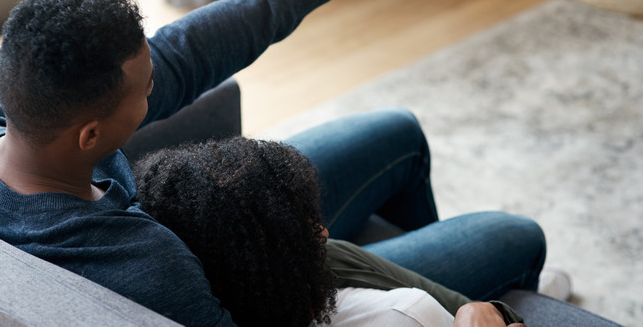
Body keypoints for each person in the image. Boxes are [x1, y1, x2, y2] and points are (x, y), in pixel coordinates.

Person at [0, 0, 545, 326]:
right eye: (144, 91)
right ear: (90, 135)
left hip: (218, 223)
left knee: (399, 131)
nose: (159, 89)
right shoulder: (147, 269)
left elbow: (185, 52)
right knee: (518, 237)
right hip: (257, 272)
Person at [134, 136, 525, 327]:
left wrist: (477, 310)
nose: (321, 230)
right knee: (521, 237)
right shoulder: (403, 310)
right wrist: (489, 312)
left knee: (399, 131)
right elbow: (458, 307)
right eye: (302, 230)